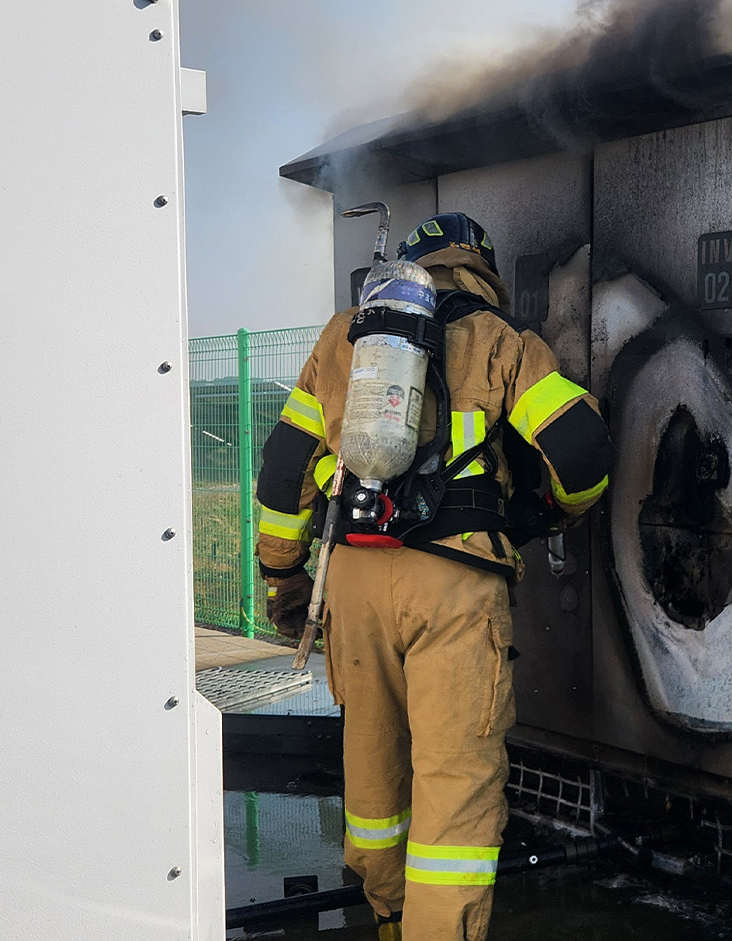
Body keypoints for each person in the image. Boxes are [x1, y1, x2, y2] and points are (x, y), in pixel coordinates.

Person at [253, 212, 612, 941]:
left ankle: (388, 918)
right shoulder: (500, 340)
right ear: (481, 272)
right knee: (455, 790)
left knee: (374, 772)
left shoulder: (344, 337)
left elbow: (284, 472)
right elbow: (581, 454)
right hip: (455, 585)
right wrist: (546, 515)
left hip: (354, 580)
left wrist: (284, 584)